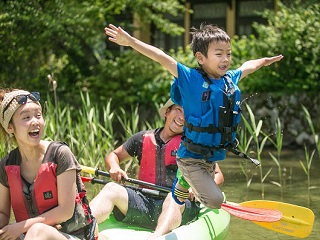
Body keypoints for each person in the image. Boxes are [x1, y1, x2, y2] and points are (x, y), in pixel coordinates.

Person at [104, 23, 283, 209]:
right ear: (200, 57)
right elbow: (161, 58)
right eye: (219, 54)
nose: (226, 59)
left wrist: (264, 61)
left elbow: (248, 66)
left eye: (228, 54)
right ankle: (185, 184)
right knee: (216, 201)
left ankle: (182, 186)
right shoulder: (191, 78)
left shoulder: (229, 80)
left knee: (210, 194)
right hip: (190, 158)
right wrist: (131, 42)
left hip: (210, 158)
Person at [89, 99, 224, 239]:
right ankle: (82, 228)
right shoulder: (142, 138)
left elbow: (218, 175)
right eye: (178, 110)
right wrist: (115, 167)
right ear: (167, 112)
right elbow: (114, 155)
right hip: (144, 202)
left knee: (174, 195)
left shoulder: (194, 146)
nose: (182, 117)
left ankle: (157, 237)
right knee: (111, 188)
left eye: (188, 114)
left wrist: (198, 188)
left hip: (180, 205)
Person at [0, 89, 96, 240]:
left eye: (38, 115)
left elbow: (65, 211)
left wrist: (20, 226)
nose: (35, 121)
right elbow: (3, 213)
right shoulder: (6, 165)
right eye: (26, 117)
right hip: (27, 235)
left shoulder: (60, 154)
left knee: (38, 231)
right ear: (10, 127)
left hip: (72, 236)